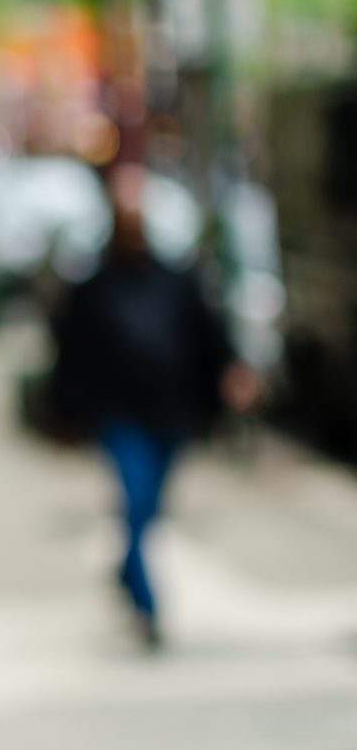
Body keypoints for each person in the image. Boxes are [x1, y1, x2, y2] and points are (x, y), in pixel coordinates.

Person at [50, 163, 258, 649]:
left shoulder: (176, 280)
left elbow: (209, 332)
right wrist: (64, 414)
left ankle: (127, 570)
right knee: (137, 504)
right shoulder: (94, 286)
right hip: (120, 417)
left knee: (149, 511)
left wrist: (233, 372)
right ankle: (147, 606)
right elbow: (70, 353)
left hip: (172, 413)